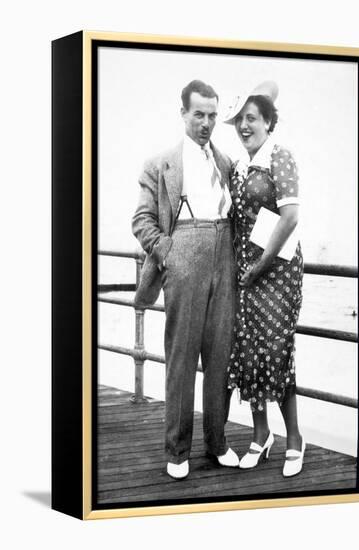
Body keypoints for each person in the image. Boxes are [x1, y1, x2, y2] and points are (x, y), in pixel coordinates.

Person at [132, 80, 239, 479]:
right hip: (184, 254)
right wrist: (169, 252)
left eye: (212, 115)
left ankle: (217, 442)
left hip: (223, 253)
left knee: (220, 357)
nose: (207, 123)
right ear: (183, 114)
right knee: (181, 358)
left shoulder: (226, 163)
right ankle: (177, 450)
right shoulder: (159, 164)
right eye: (199, 114)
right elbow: (141, 220)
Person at [224, 81, 305, 477]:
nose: (244, 126)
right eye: (240, 120)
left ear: (269, 122)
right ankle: (261, 435)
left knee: (276, 350)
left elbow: (290, 218)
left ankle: (294, 439)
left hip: (278, 272)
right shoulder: (239, 166)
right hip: (246, 272)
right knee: (248, 349)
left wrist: (261, 265)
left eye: (251, 119)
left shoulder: (280, 157)